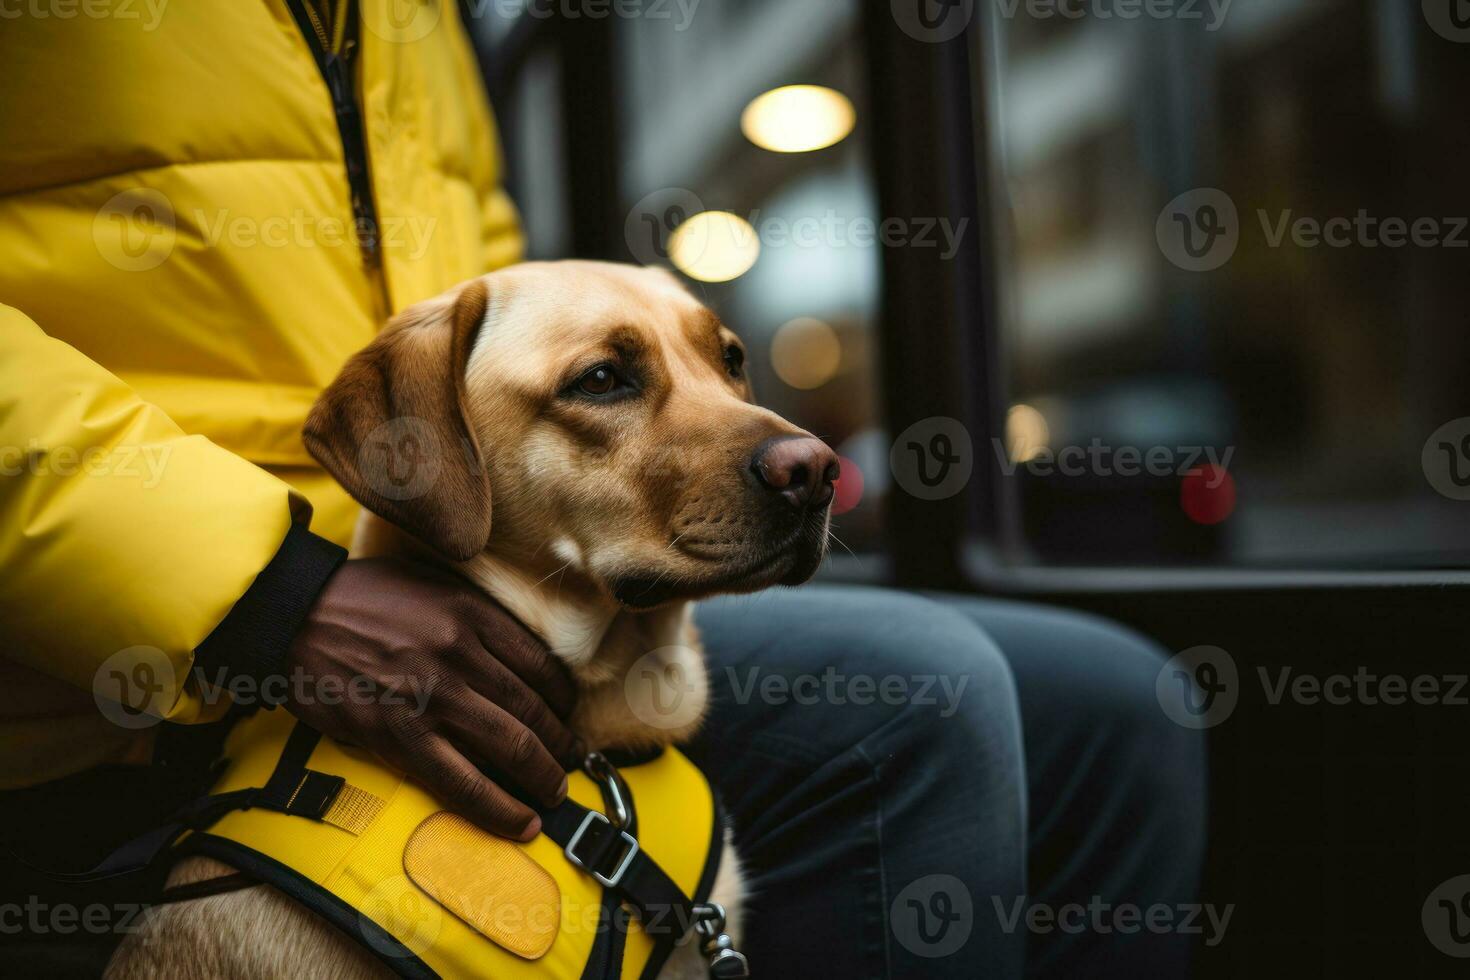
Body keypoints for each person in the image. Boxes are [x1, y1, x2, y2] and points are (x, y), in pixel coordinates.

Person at [0, 3, 1204, 976]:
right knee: (927, 696)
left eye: (723, 362)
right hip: (156, 648)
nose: (787, 446)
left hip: (483, 582)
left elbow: (489, 283)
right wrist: (267, 590)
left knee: (1112, 701)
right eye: (616, 381)